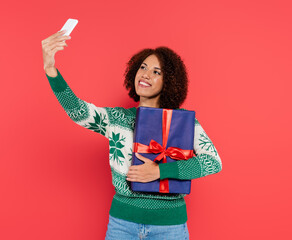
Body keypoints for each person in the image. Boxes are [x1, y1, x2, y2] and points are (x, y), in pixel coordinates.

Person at [41, 30, 222, 240]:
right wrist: (50, 69)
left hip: (169, 228)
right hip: (122, 225)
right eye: (143, 67)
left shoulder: (183, 123)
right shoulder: (117, 118)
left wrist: (160, 171)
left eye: (157, 72)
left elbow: (213, 162)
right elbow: (78, 112)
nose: (145, 74)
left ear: (169, 81)